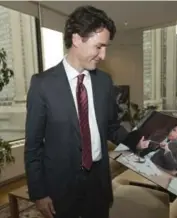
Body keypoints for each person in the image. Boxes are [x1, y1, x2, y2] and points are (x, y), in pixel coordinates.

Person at [24, 5, 147, 218]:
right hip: (61, 189)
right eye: (99, 46)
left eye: (106, 47)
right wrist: (39, 193)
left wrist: (135, 141)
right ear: (77, 39)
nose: (103, 55)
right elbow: (33, 147)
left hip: (98, 185)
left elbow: (111, 127)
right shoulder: (42, 85)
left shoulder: (104, 82)